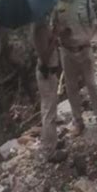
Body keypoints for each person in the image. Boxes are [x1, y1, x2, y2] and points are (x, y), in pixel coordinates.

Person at [53, 0, 97, 135]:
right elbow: (53, 28)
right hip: (66, 50)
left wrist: (87, 38)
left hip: (84, 49)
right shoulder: (56, 1)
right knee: (71, 87)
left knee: (91, 84)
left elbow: (94, 22)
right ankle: (78, 121)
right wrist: (60, 31)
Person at [31, 18, 67, 162]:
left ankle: (51, 141)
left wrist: (53, 34)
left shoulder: (41, 25)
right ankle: (49, 151)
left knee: (49, 108)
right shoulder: (38, 28)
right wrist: (55, 38)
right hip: (46, 73)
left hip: (49, 73)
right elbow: (44, 56)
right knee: (49, 112)